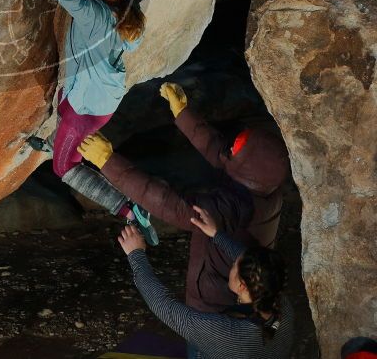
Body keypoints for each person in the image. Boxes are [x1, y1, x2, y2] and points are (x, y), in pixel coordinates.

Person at [77, 81, 291, 316]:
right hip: (240, 290)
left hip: (214, 305)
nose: (231, 148)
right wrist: (183, 113)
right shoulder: (265, 183)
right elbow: (223, 153)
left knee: (205, 344)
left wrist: (108, 161)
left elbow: (172, 205)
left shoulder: (234, 205)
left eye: (238, 149)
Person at [24, 0, 163, 241]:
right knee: (64, 105)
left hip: (84, 107)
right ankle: (58, 143)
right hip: (101, 103)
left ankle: (130, 209)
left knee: (63, 168)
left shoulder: (96, 16)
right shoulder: (131, 22)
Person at [118, 206, 294, 358]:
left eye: (234, 265)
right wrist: (216, 234)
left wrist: (136, 255)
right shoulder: (282, 305)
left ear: (242, 286)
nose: (232, 263)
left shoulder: (227, 334)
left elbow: (166, 307)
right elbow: (249, 259)